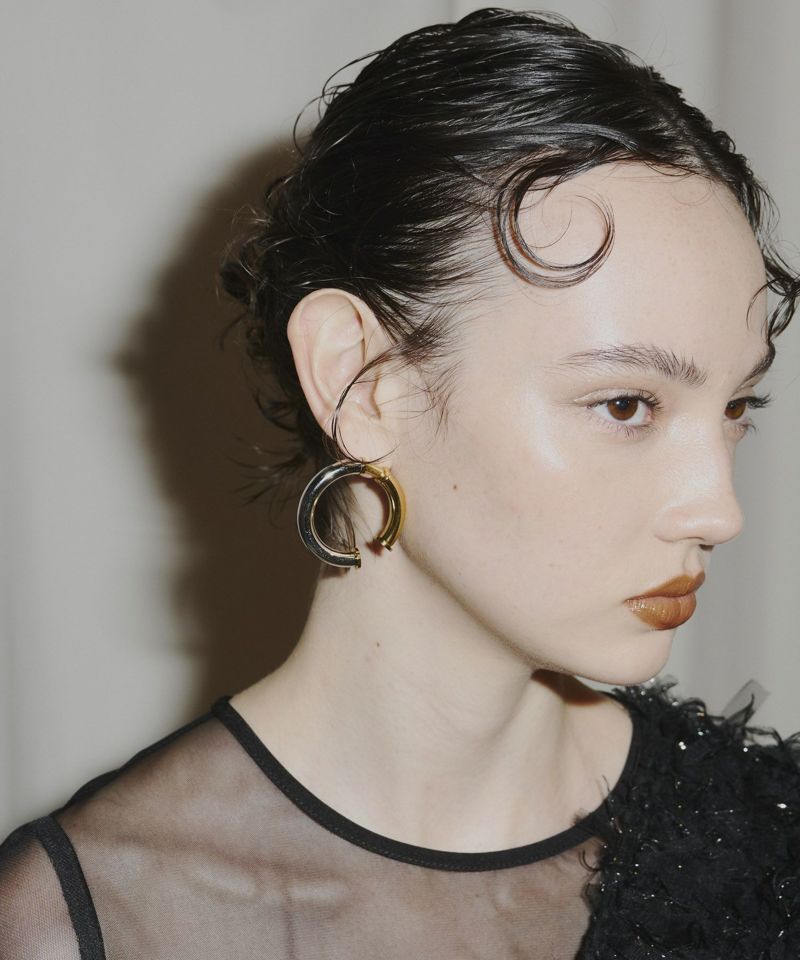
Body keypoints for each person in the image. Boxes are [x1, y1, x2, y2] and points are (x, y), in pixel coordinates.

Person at [2, 7, 799, 959]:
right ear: (362, 381)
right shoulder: (84, 922)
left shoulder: (773, 845)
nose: (718, 509)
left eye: (736, 406)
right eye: (626, 404)